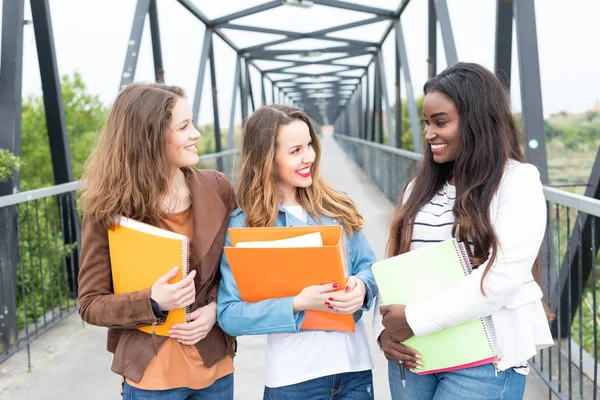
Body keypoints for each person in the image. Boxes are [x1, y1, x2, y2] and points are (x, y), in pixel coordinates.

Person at [373, 62, 554, 400]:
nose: (429, 134)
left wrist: (413, 319)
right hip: (414, 355)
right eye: (427, 123)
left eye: (441, 122)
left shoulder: (517, 182)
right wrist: (386, 333)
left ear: (478, 121)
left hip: (483, 361)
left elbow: (502, 277)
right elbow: (398, 268)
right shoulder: (419, 187)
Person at [77, 82, 236, 399]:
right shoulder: (108, 210)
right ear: (150, 137)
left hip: (215, 367)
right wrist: (153, 301)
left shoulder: (218, 188)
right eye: (184, 126)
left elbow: (237, 270)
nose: (196, 135)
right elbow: (90, 304)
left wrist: (217, 308)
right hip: (151, 377)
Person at [217, 105, 378, 399]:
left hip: (355, 371)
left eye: (310, 146)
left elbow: (370, 267)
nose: (309, 157)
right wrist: (296, 302)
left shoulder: (336, 207)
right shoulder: (245, 226)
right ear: (267, 159)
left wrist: (362, 287)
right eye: (295, 151)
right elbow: (230, 315)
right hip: (294, 379)